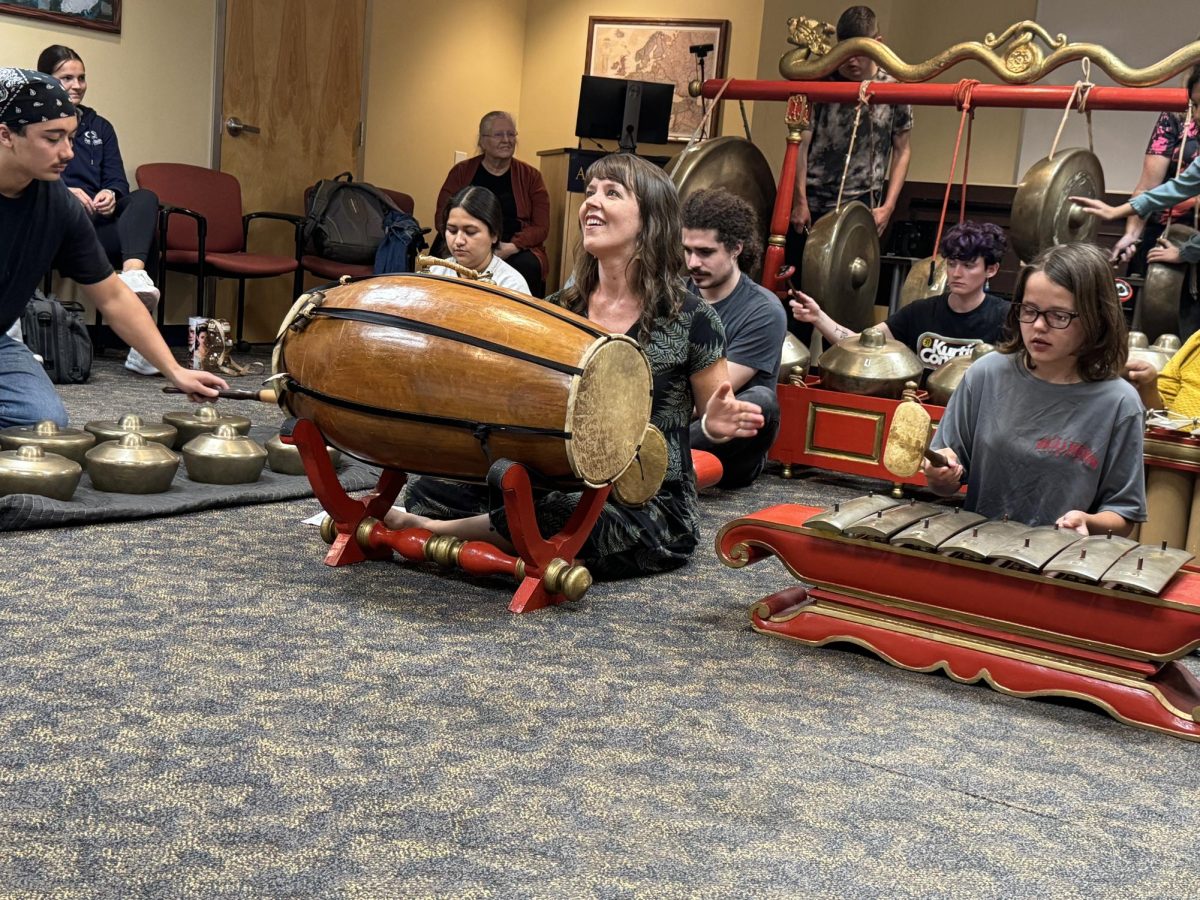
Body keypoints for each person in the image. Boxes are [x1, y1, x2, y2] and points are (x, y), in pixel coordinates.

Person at [388, 153, 765, 579]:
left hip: (642, 501)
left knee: (563, 512)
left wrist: (716, 424)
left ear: (651, 219)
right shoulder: (558, 311)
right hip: (558, 476)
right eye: (590, 193)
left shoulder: (692, 318)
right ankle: (511, 539)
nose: (592, 203)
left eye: (612, 193)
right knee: (431, 489)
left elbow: (714, 414)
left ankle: (439, 531)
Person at [0, 67, 224, 428]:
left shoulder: (58, 206)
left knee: (43, 421)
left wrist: (175, 370)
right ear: (6, 135)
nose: (68, 152)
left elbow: (113, 297)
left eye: (71, 137)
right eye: (52, 138)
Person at [923, 243, 1146, 536]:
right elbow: (946, 480)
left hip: (1060, 565)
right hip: (977, 552)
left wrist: (1088, 522)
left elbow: (1124, 514)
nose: (1038, 326)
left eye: (1058, 316)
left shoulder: (1120, 403)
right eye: (1029, 310)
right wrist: (940, 475)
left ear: (1095, 318)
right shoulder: (985, 374)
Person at [784, 4, 913, 337]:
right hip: (812, 202)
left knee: (846, 303)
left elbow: (902, 149)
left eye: (859, 52)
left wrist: (889, 205)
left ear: (877, 43)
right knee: (796, 301)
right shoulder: (818, 79)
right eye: (844, 51)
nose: (851, 60)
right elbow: (801, 143)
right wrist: (799, 200)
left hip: (861, 206)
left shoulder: (895, 84)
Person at [37, 44, 164, 375]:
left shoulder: (100, 127)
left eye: (81, 77)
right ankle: (143, 333)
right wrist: (63, 190)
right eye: (67, 78)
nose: (77, 85)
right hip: (59, 226)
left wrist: (110, 192)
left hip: (99, 224)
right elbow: (26, 178)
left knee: (146, 199)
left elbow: (118, 180)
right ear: (46, 81)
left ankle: (134, 278)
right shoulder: (34, 124)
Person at [789, 221, 1009, 368]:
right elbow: (860, 344)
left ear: (991, 270)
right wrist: (818, 317)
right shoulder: (920, 311)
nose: (956, 273)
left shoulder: (1005, 317)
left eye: (969, 266)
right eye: (952, 264)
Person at [681, 188, 786, 488]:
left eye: (705, 252)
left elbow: (709, 399)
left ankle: (654, 455)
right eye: (687, 250)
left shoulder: (763, 311)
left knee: (761, 403)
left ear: (736, 248)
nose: (693, 263)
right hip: (671, 420)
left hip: (729, 446)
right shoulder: (672, 296)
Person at [434, 111, 549, 297]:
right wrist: (462, 234)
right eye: (499, 134)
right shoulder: (461, 172)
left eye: (511, 134)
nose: (506, 140)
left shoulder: (531, 176)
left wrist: (513, 246)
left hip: (515, 245)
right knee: (440, 261)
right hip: (471, 235)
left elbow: (541, 227)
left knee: (529, 266)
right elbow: (442, 216)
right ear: (482, 141)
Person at [426, 186, 529, 293]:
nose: (458, 241)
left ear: (494, 234)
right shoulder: (435, 274)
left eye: (470, 232)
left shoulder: (512, 286)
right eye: (452, 231)